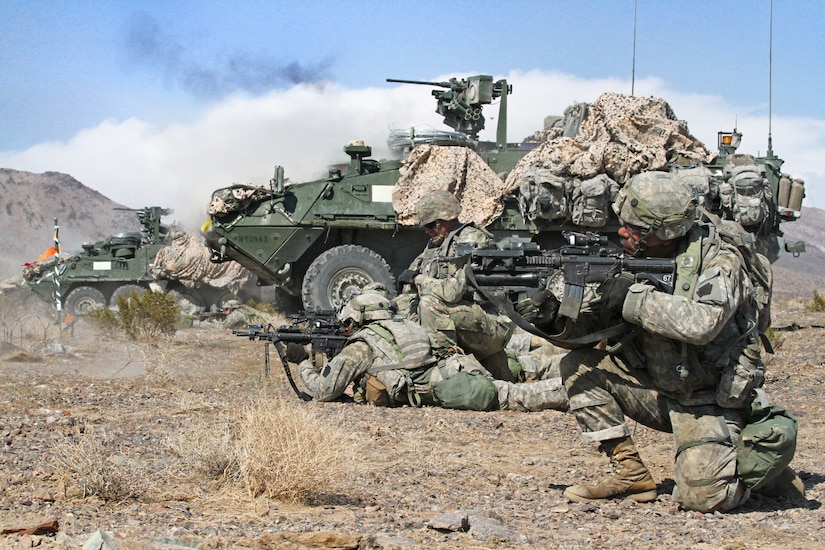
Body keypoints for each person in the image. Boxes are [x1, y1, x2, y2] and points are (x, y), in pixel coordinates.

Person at [526, 171, 802, 513]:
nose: (622, 232)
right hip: (659, 391)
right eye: (624, 223)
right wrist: (554, 320)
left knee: (702, 498)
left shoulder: (721, 260)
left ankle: (757, 461)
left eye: (635, 228)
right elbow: (594, 329)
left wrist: (632, 298)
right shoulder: (630, 257)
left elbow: (703, 323)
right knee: (579, 367)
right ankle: (631, 474)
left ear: (664, 233)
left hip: (709, 402)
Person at [293, 289, 568, 412]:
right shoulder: (405, 325)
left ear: (358, 319)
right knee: (523, 372)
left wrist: (302, 362)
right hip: (462, 365)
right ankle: (572, 368)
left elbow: (324, 392)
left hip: (452, 383)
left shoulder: (363, 345)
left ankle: (574, 389)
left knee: (515, 397)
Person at [398, 189, 515, 382]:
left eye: (430, 225)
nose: (427, 231)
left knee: (429, 304)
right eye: (425, 227)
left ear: (444, 220)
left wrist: (417, 280)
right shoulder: (437, 243)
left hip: (492, 324)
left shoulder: (470, 240)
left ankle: (446, 371)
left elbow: (452, 291)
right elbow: (413, 278)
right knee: (403, 308)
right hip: (467, 320)